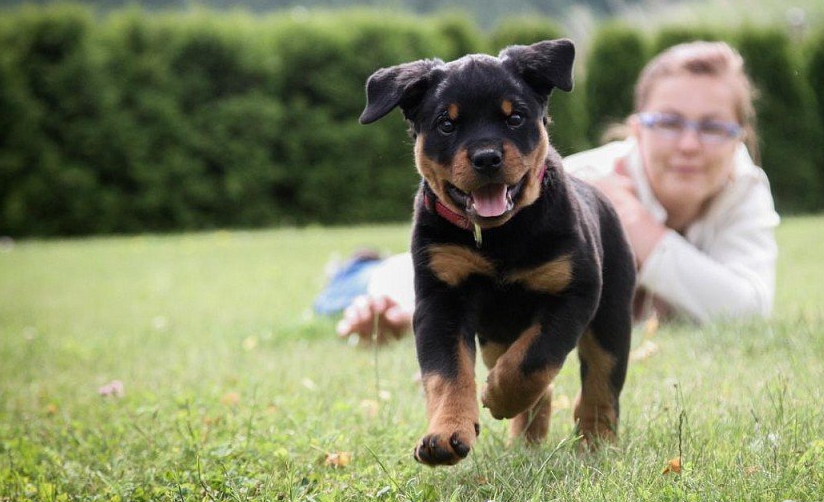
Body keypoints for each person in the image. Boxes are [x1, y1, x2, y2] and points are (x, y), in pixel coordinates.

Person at [322, 40, 779, 342]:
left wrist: (638, 225)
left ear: (740, 136)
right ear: (637, 129)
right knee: (358, 285)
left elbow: (748, 313)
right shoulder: (576, 182)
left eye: (714, 126)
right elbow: (452, 264)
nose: (689, 144)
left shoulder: (745, 189)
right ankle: (353, 273)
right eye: (670, 121)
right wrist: (397, 305)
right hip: (390, 275)